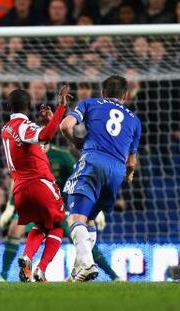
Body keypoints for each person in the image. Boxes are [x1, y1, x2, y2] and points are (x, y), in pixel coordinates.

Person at [0, 105, 119, 282]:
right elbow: (19, 178)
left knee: (78, 228)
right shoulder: (26, 152)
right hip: (38, 204)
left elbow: (80, 178)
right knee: (17, 227)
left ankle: (113, 276)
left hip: (61, 206)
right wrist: (10, 206)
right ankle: (4, 275)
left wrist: (93, 207)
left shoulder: (61, 156)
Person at [60, 75, 141, 281]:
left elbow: (65, 126)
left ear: (103, 93)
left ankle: (87, 264)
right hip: (116, 172)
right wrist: (129, 175)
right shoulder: (134, 120)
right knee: (89, 220)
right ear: (125, 95)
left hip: (94, 160)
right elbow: (131, 162)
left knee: (74, 216)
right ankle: (78, 272)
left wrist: (76, 142)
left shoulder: (90, 103)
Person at [0, 85, 71, 282]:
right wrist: (61, 109)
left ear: (8, 107)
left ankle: (27, 257)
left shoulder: (6, 129)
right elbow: (45, 136)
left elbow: (37, 144)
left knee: (41, 224)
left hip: (20, 189)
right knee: (57, 225)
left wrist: (48, 123)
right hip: (40, 183)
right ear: (29, 106)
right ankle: (41, 269)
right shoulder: (23, 126)